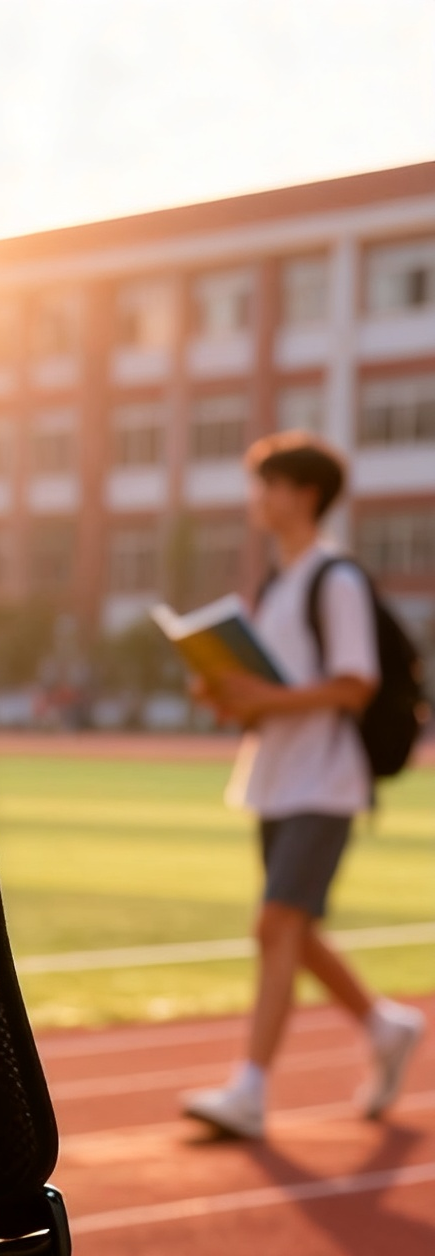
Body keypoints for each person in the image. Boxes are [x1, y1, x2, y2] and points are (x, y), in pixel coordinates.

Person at [181, 431, 424, 1140]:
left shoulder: (335, 578)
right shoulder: (277, 585)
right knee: (296, 929)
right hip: (276, 779)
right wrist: (228, 695)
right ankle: (386, 1025)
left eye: (268, 483)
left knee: (276, 924)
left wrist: (260, 696)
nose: (257, 497)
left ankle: (251, 1091)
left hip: (326, 780)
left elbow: (353, 685)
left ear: (304, 494)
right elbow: (273, 691)